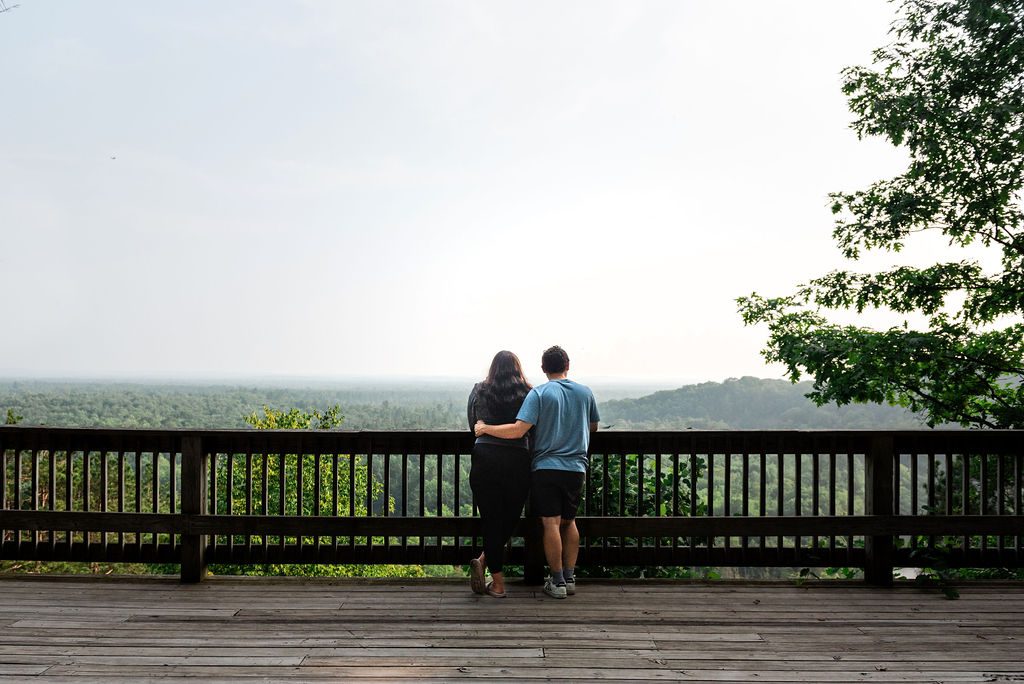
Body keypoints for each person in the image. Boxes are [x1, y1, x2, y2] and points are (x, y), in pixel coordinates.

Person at [475, 345, 599, 599]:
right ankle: (570, 577)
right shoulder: (585, 393)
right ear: (568, 365)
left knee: (550, 523)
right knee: (569, 522)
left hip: (544, 466)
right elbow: (593, 426)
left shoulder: (540, 394)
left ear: (544, 368)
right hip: (576, 466)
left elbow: (520, 429)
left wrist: (485, 428)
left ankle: (556, 582)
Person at [466, 350, 533, 598]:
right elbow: (532, 427)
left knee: (491, 520)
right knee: (510, 519)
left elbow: (473, 425)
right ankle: (491, 573)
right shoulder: (528, 392)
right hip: (517, 459)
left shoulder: (479, 390)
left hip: (485, 459)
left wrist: (487, 431)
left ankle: (495, 578)